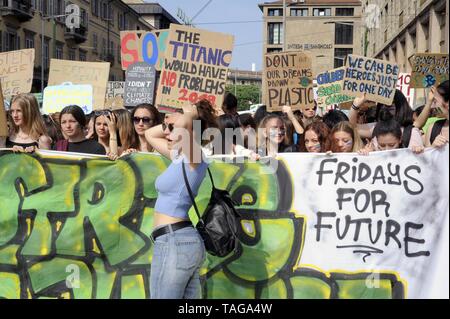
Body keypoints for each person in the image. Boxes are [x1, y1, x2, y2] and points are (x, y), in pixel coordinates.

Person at [144, 99, 218, 299]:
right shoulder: (179, 157)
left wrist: (189, 116)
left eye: (172, 127)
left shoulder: (196, 156)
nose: (167, 131)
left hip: (175, 241)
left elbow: (186, 131)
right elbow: (149, 134)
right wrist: (172, 120)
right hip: (177, 241)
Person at [349, 90, 424, 150]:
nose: (386, 107)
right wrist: (355, 106)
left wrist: (418, 151)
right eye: (383, 103)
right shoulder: (376, 128)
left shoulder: (411, 133)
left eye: (391, 104)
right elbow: (353, 128)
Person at [424, 80, 449, 149]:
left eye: (435, 101)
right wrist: (433, 149)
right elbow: (427, 159)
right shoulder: (433, 128)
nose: (432, 106)